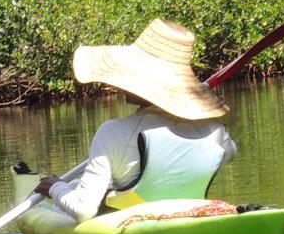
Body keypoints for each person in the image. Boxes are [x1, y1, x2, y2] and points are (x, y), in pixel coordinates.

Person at [29, 18, 237, 223]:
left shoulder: (112, 132)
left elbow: (84, 210)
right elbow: (230, 153)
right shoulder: (215, 131)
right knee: (79, 185)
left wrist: (54, 187)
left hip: (131, 223)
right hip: (189, 218)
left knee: (76, 189)